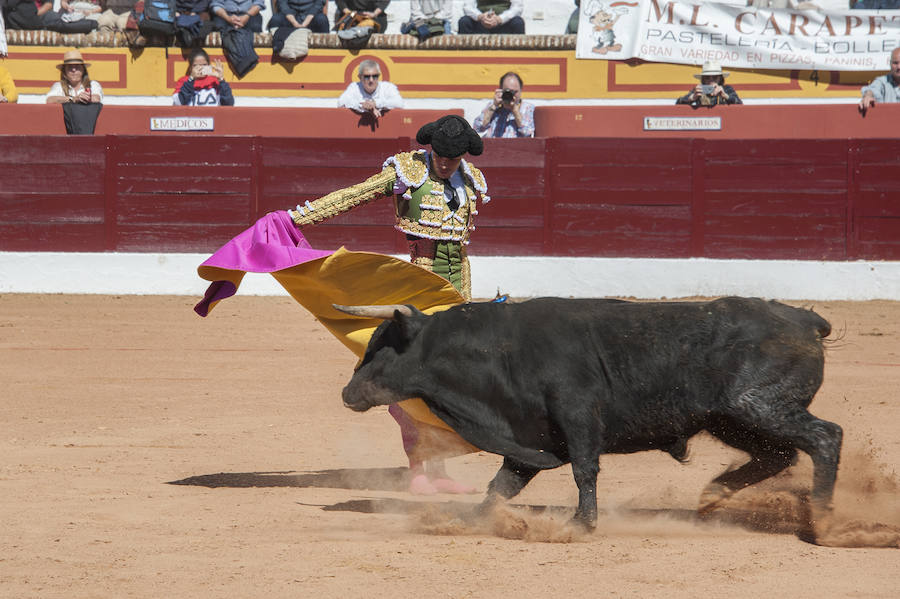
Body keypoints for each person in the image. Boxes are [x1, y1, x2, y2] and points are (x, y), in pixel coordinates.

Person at [287, 114, 488, 494]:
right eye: (441, 156)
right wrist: (298, 217)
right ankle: (416, 473)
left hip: (459, 288)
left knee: (449, 380)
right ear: (431, 148)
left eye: (454, 158)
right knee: (410, 378)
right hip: (418, 282)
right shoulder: (408, 171)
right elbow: (353, 195)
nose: (446, 163)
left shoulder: (471, 180)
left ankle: (440, 471)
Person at [472, 71, 535, 138]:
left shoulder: (527, 108)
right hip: (493, 146)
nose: (510, 95)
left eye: (514, 92)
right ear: (501, 90)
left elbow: (527, 132)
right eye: (507, 91)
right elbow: (477, 128)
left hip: (515, 147)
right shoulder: (493, 105)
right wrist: (494, 106)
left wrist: (515, 110)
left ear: (520, 90)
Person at [337, 59, 403, 118]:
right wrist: (362, 105)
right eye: (367, 77)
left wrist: (376, 103)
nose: (371, 80)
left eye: (375, 76)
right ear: (360, 77)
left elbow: (399, 103)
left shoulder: (388, 87)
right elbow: (341, 102)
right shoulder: (354, 87)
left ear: (379, 76)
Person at [675, 61, 742, 107]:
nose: (711, 80)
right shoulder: (699, 90)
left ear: (720, 78)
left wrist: (725, 96)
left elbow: (740, 105)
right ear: (703, 79)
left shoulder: (727, 89)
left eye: (715, 77)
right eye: (707, 77)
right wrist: (691, 98)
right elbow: (677, 105)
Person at [859, 47, 900, 114]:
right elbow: (872, 89)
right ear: (890, 64)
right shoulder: (882, 81)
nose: (899, 67)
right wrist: (868, 96)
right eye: (895, 63)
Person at [458, 0, 525, 34]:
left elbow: (517, 7)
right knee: (464, 22)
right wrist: (481, 17)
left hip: (504, 24)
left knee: (518, 22)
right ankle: (467, 58)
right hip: (481, 23)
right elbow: (467, 6)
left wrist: (499, 19)